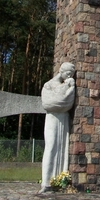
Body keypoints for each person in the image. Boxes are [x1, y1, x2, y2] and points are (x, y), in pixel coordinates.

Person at [40, 63, 76, 191]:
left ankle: (59, 180)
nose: (69, 76)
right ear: (61, 70)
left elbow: (68, 102)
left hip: (64, 118)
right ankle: (46, 182)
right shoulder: (48, 85)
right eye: (68, 73)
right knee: (50, 147)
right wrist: (67, 87)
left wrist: (69, 88)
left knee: (62, 147)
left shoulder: (69, 84)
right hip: (52, 118)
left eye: (71, 74)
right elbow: (48, 103)